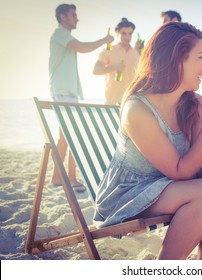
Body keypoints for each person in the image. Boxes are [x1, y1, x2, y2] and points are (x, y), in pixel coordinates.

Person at [93, 22, 202, 260]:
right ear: (178, 58)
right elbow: (181, 171)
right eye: (200, 58)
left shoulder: (194, 103)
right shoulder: (137, 110)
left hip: (168, 186)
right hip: (128, 195)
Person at [49, 3, 114, 191]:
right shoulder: (60, 34)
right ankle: (70, 177)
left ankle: (57, 178)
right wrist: (104, 40)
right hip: (62, 92)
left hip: (68, 92)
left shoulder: (64, 35)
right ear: (63, 17)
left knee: (65, 137)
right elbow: (83, 47)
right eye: (73, 15)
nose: (77, 18)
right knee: (71, 135)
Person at [93, 18, 142, 105]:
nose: (127, 37)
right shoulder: (109, 51)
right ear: (117, 33)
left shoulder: (136, 53)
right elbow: (96, 70)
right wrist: (114, 67)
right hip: (112, 102)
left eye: (130, 34)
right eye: (124, 33)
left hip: (131, 103)